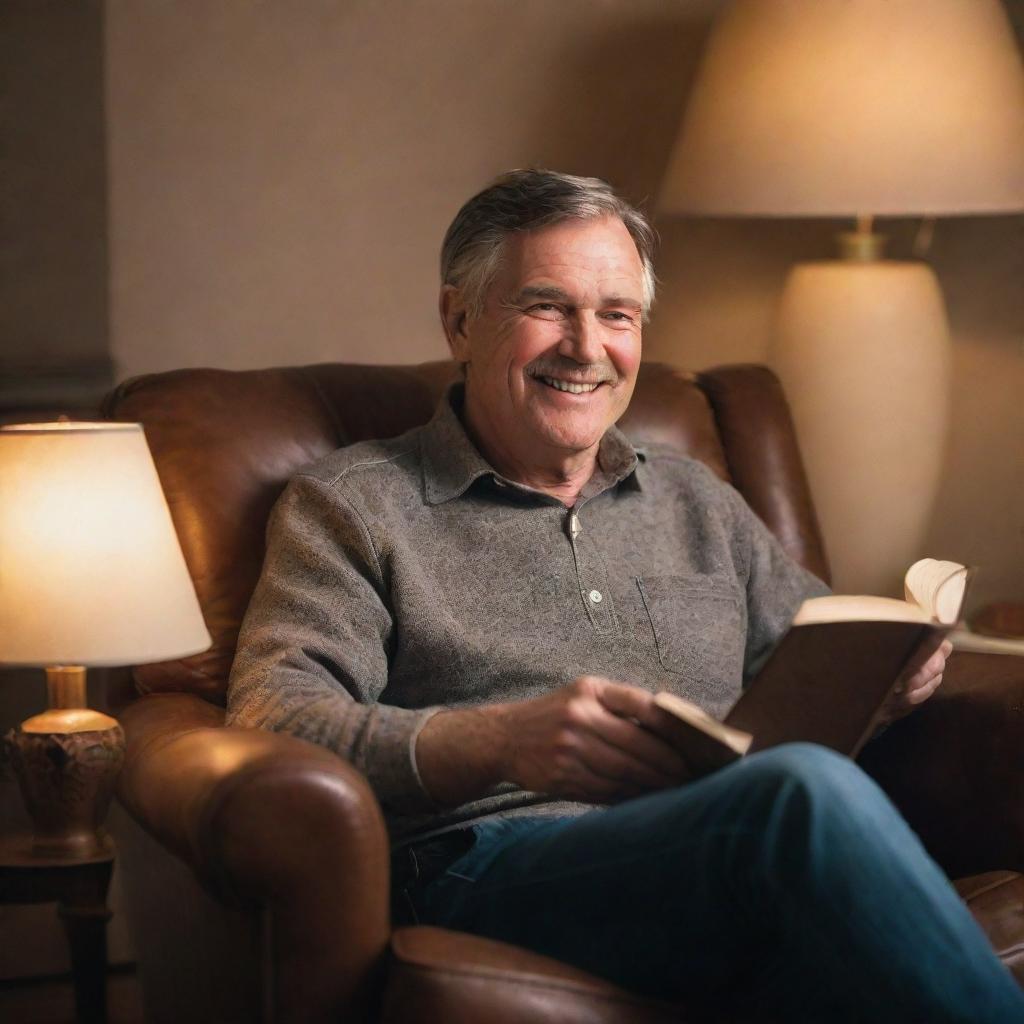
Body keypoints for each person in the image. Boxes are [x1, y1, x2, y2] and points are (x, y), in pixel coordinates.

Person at [227, 169, 1023, 1021]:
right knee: (795, 798)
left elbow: (813, 668)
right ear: (460, 320)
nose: (586, 346)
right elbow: (276, 720)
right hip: (493, 866)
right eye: (547, 306)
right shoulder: (355, 505)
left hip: (723, 854)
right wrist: (496, 741)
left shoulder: (696, 498)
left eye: (617, 314)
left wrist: (890, 681)